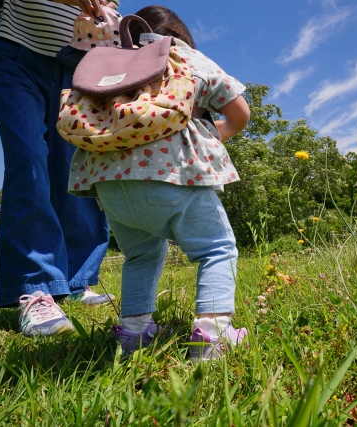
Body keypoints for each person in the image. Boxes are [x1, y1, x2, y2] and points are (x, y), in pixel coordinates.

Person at [66, 5, 251, 361]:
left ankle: (134, 333)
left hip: (108, 184)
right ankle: (212, 336)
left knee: (140, 255)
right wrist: (215, 137)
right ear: (178, 36)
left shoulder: (109, 62)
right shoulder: (185, 56)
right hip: (171, 172)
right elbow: (239, 112)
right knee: (216, 248)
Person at [0, 0, 117, 337]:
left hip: (75, 64)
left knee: (75, 168)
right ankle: (36, 287)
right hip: (14, 50)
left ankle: (77, 281)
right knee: (28, 158)